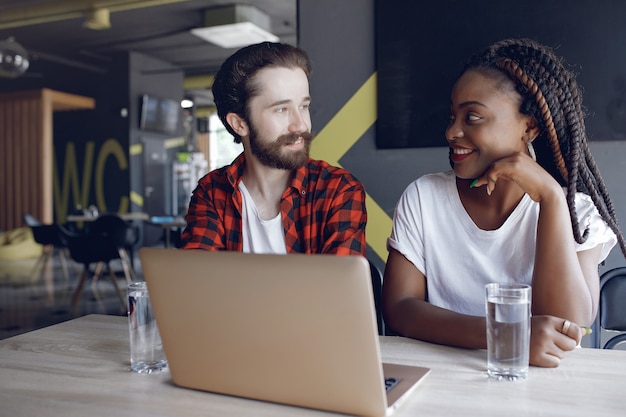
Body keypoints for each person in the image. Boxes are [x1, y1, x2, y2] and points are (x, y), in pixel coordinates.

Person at [382, 38, 626, 368]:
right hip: (442, 382)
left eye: (473, 118)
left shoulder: (577, 212)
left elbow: (569, 327)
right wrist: (504, 335)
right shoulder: (424, 198)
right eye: (452, 116)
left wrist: (552, 199)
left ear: (530, 127)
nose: (452, 132)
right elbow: (400, 309)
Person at [180, 42, 367, 255]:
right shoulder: (212, 192)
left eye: (304, 107)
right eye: (281, 109)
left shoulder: (338, 190)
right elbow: (197, 281)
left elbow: (340, 286)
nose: (301, 125)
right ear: (239, 124)